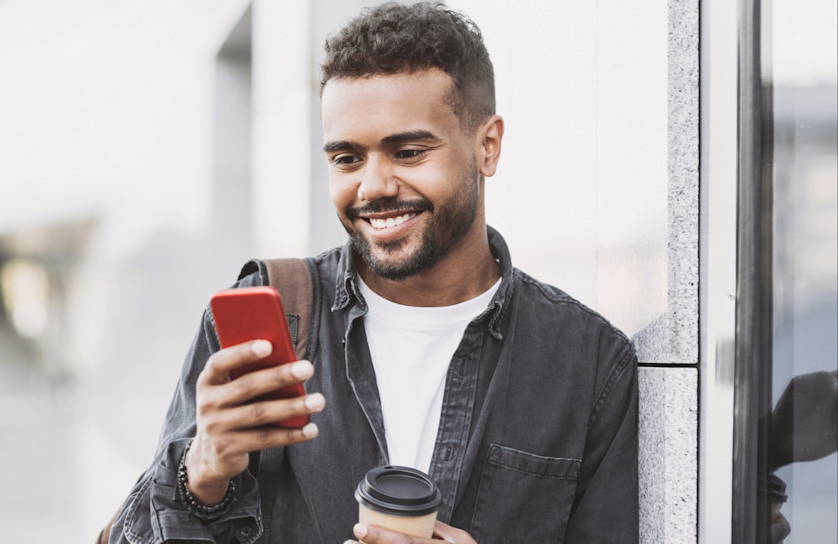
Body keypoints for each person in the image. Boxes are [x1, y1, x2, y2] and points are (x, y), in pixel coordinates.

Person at [106, 3, 638, 543]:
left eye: (408, 151)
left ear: (488, 146)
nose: (373, 186)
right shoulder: (263, 326)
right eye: (346, 158)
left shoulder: (586, 363)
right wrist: (201, 475)